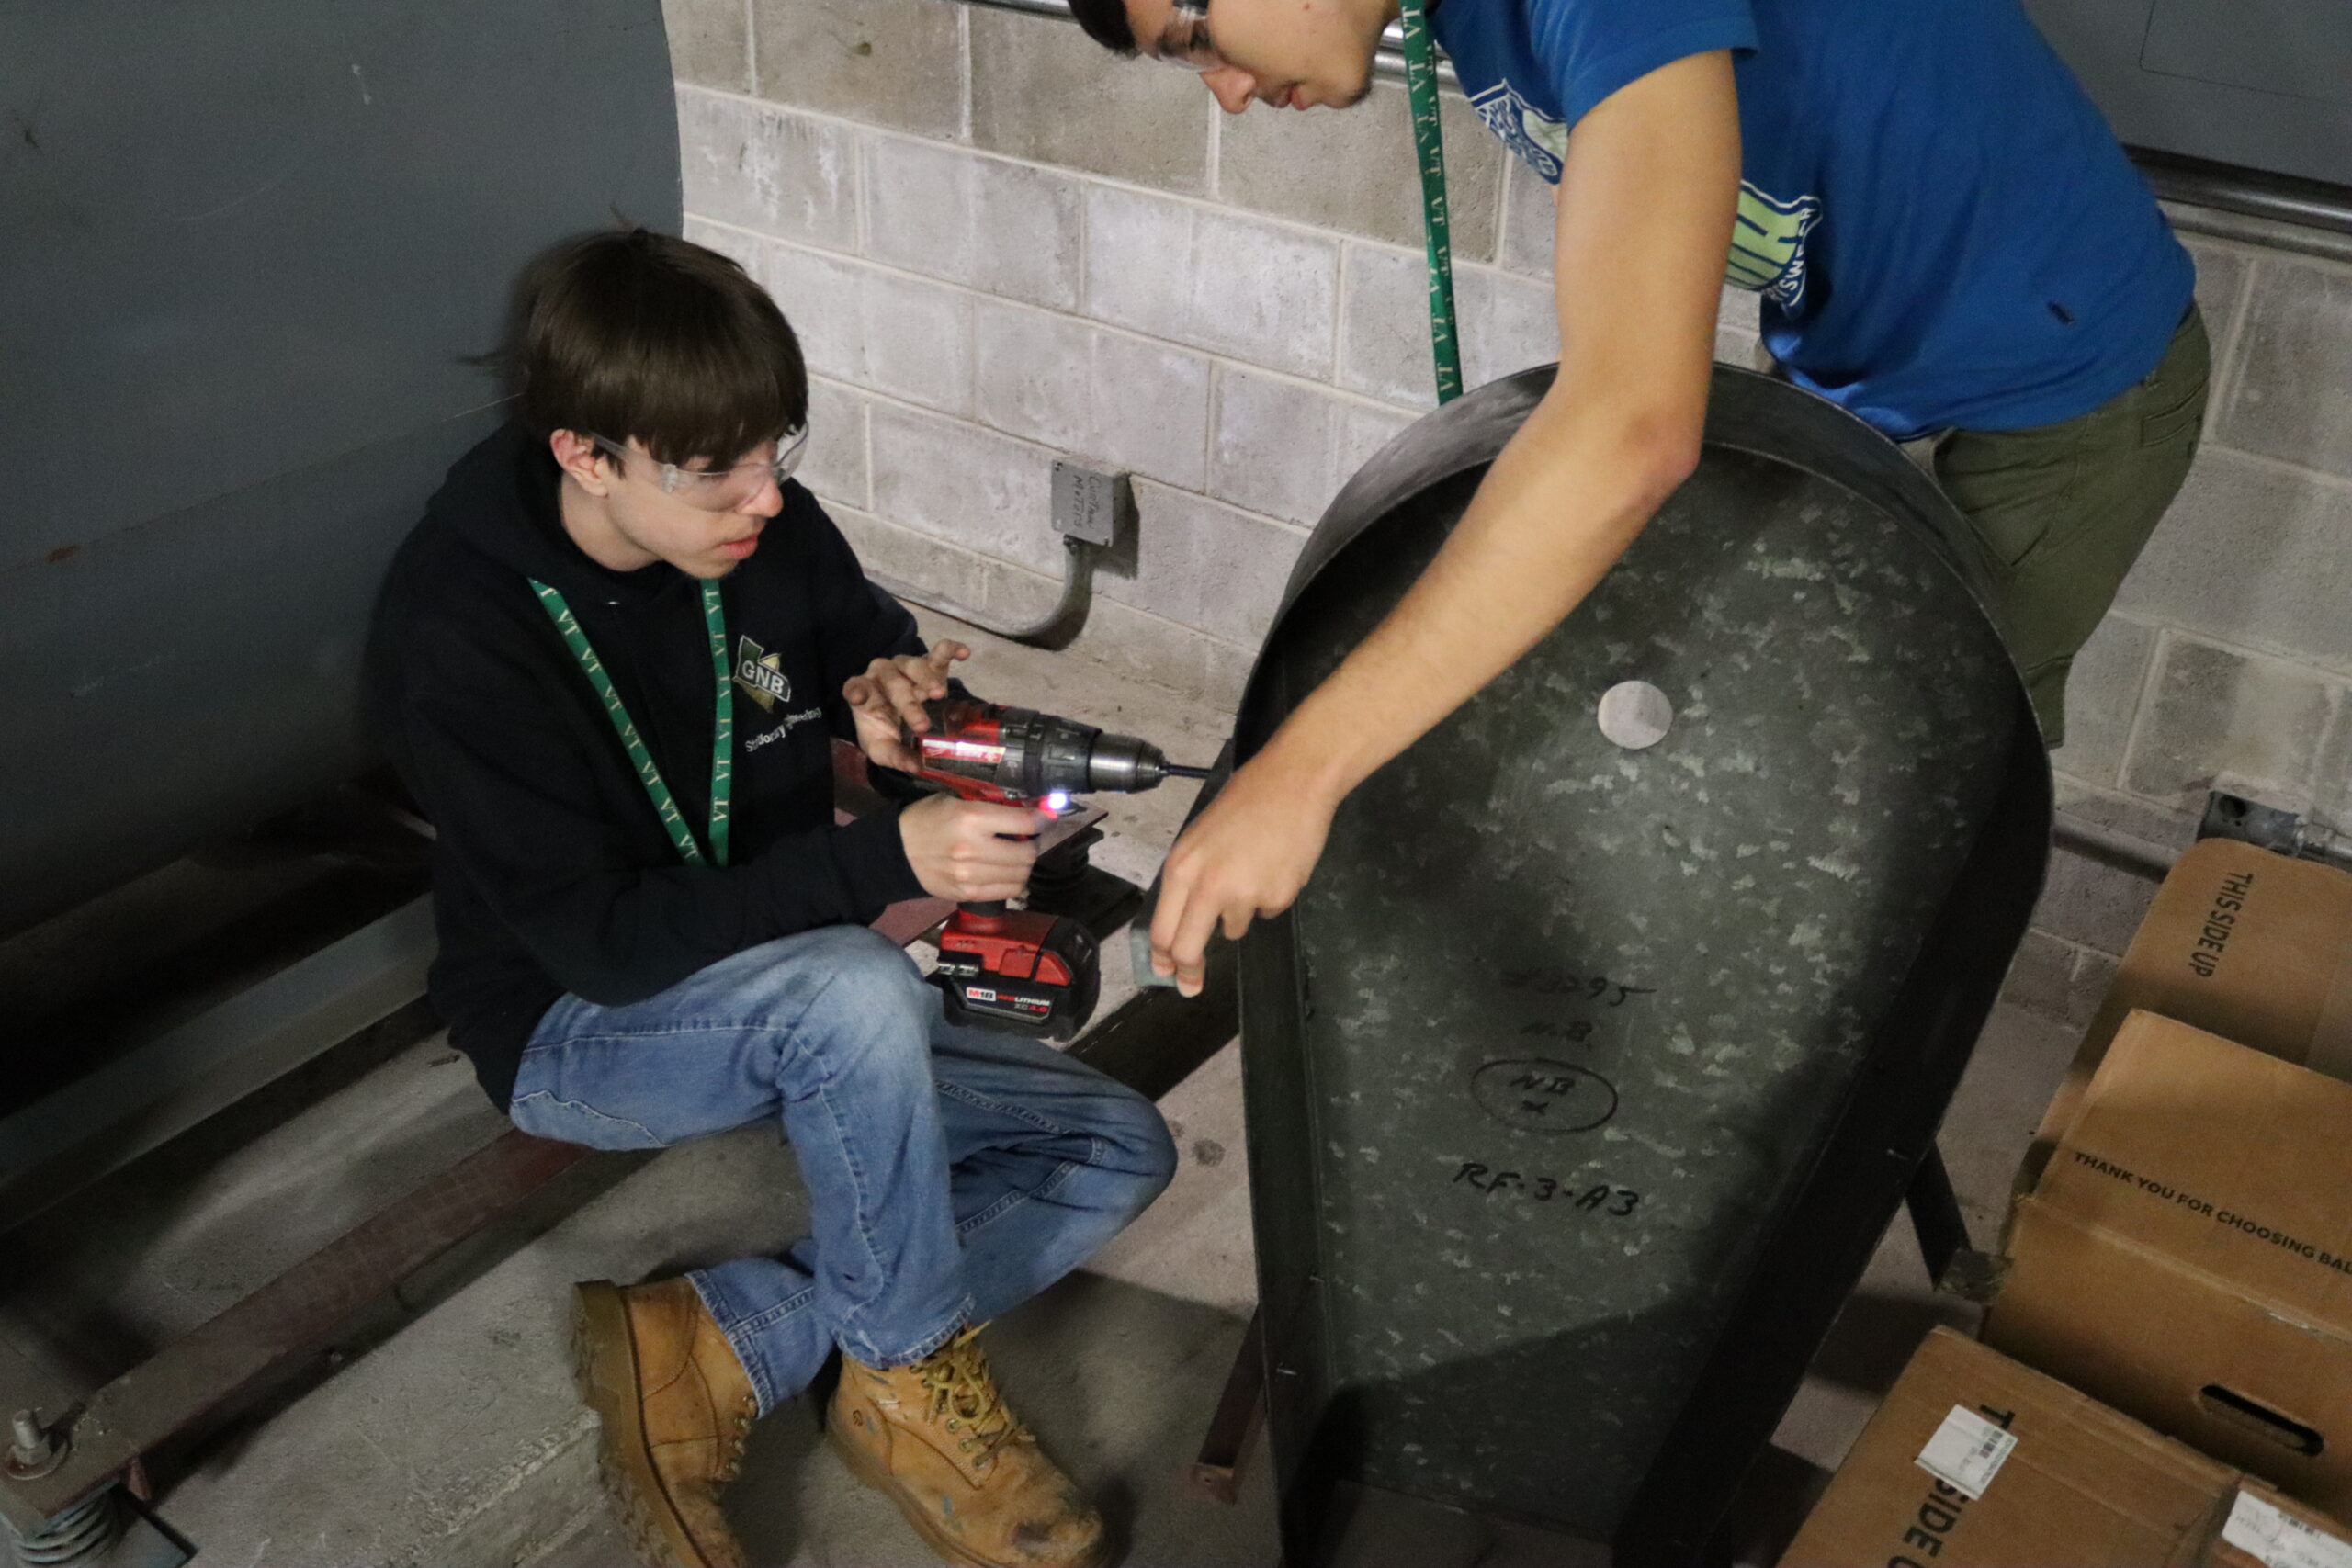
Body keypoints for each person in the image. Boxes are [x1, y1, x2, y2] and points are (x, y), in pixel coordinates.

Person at [1065, 0, 2207, 995]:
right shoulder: (1469, 13)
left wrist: (1300, 777)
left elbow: (1628, 426)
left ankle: (1833, 1139)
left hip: (2057, 382)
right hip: (1859, 375)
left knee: (1901, 801)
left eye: (1196, 37)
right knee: (1744, 737)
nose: (1224, 92)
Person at [365, 227, 1172, 1568]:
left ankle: (726, 1338)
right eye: (713, 472)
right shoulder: (459, 636)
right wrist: (884, 861)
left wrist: (910, 696)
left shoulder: (758, 527)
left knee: (1116, 1148)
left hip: (798, 981)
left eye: (774, 453)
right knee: (856, 989)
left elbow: (865, 638)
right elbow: (609, 946)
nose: (760, 499)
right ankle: (907, 1386)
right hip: (582, 1020)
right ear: (586, 452)